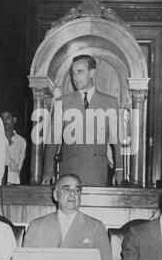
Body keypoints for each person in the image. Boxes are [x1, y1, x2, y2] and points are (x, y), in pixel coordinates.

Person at [42, 55, 123, 186]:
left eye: (80, 71)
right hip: (69, 171)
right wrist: (48, 169)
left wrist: (119, 168)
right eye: (73, 73)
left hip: (96, 173)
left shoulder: (109, 102)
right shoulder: (62, 103)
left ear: (92, 73)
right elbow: (52, 140)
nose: (75, 77)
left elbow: (117, 140)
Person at [24, 174, 112, 260]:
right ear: (55, 195)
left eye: (77, 190)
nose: (73, 193)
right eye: (67, 189)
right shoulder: (37, 226)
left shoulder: (96, 227)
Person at [1, 111, 26, 184]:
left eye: (8, 117)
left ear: (14, 120)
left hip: (14, 182)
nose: (5, 121)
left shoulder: (21, 141)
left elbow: (19, 168)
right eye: (2, 118)